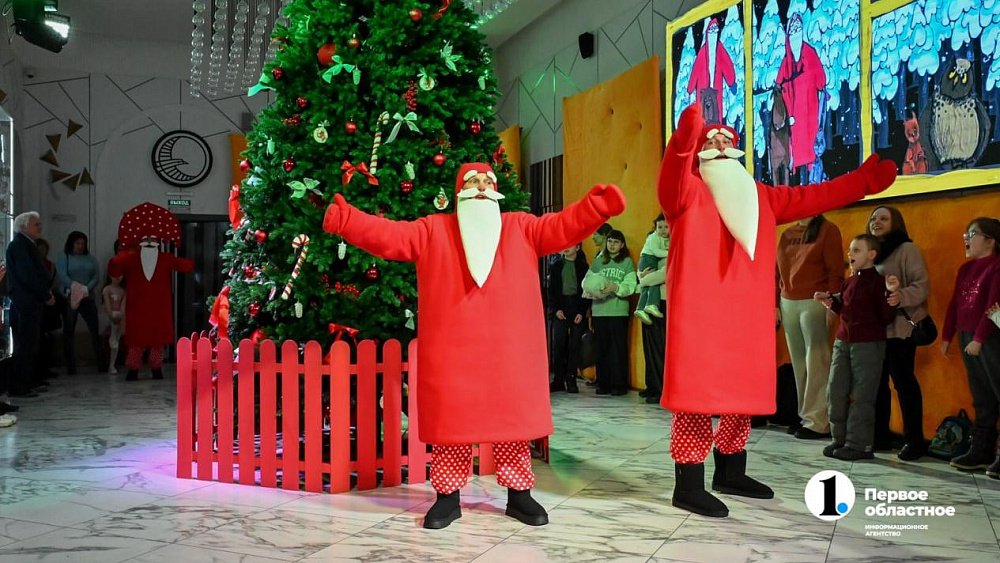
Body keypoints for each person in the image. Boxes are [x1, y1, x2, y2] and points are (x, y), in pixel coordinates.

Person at [322, 162, 625, 529]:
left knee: (512, 426)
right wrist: (347, 220)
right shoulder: (434, 230)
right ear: (458, 192)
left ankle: (519, 496)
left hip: (510, 353)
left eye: (487, 181)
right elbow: (389, 236)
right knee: (453, 429)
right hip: (454, 354)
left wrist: (596, 207)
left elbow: (563, 225)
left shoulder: (522, 227)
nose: (481, 186)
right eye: (473, 181)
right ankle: (448, 498)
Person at [657, 103, 896, 518]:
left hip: (746, 316)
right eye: (710, 142)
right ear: (699, 154)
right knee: (695, 399)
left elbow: (815, 194)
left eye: (726, 141)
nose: (720, 145)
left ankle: (731, 470)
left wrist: (862, 182)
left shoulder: (760, 196)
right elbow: (671, 175)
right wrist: (681, 141)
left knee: (741, 395)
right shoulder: (687, 193)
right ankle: (689, 482)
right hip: (699, 317)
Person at [815, 234, 898, 461]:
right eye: (850, 250)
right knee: (835, 389)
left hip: (868, 344)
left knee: (862, 395)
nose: (850, 254)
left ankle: (859, 444)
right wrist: (832, 303)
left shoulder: (879, 281)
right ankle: (839, 438)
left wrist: (891, 295)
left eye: (856, 250)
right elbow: (847, 313)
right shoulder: (849, 281)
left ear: (872, 254)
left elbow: (885, 317)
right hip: (843, 341)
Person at [868, 206, 930, 460]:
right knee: (877, 385)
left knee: (904, 384)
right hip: (876, 330)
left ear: (896, 223)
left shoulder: (907, 250)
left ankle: (914, 440)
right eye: (873, 218)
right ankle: (880, 436)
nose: (876, 222)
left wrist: (900, 296)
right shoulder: (869, 253)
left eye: (883, 218)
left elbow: (922, 286)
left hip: (901, 329)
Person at [940, 217, 1000, 474]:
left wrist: (979, 338)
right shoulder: (965, 269)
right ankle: (981, 450)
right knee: (981, 396)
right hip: (967, 336)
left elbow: (995, 305)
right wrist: (946, 336)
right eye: (966, 233)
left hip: (988, 337)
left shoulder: (996, 267)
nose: (966, 238)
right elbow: (955, 304)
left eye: (972, 233)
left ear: (990, 240)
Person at [108, 203, 194, 381]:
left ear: (158, 242)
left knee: (157, 341)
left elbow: (186, 266)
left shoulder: (165, 259)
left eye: (152, 240)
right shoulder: (131, 259)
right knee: (136, 342)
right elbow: (114, 270)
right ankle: (134, 369)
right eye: (146, 239)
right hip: (138, 307)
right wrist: (122, 255)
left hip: (159, 307)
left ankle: (156, 368)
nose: (149, 242)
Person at [776, 215, 843, 439]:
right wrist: (774, 303)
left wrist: (832, 306)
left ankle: (819, 421)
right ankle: (805, 416)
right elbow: (777, 271)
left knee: (817, 362)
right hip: (788, 302)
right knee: (799, 363)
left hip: (815, 301)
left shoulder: (828, 230)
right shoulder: (787, 234)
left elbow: (835, 271)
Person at [5, 212, 56, 398]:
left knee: (30, 344)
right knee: (24, 344)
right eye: (36, 224)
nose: (40, 227)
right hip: (25, 301)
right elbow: (27, 275)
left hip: (30, 301)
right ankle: (19, 387)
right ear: (24, 226)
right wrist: (44, 294)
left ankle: (28, 382)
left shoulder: (26, 244)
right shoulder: (19, 245)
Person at [582, 230, 637, 396]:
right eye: (610, 241)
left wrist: (616, 288)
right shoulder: (599, 261)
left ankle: (619, 385)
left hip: (618, 311)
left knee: (618, 349)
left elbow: (631, 285)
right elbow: (587, 281)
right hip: (599, 312)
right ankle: (604, 383)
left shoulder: (627, 262)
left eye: (616, 242)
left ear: (622, 245)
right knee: (602, 349)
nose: (612, 245)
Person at [776, 12, 827, 183]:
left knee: (811, 148)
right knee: (796, 151)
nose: (796, 32)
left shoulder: (810, 53)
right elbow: (779, 86)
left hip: (810, 111)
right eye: (793, 29)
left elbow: (821, 80)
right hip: (794, 117)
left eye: (798, 28)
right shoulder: (787, 62)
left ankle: (814, 179)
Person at [56, 231, 104, 374]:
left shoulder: (90, 259)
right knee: (69, 330)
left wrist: (86, 289)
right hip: (70, 296)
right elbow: (62, 275)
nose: (80, 246)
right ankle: (70, 365)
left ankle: (101, 363)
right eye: (77, 243)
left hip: (87, 297)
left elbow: (96, 276)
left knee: (95, 329)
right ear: (71, 243)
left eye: (83, 243)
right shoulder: (64, 257)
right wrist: (75, 287)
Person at [547, 244, 589, 393]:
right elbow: (551, 290)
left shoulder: (584, 266)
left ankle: (571, 379)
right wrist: (556, 309)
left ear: (577, 248)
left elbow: (586, 290)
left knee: (575, 345)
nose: (566, 247)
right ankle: (558, 379)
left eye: (571, 245)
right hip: (561, 307)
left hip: (576, 306)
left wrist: (582, 311)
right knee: (559, 344)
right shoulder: (556, 265)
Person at [637, 261, 667, 404]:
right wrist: (641, 274)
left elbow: (663, 274)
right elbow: (641, 268)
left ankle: (661, 389)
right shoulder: (651, 252)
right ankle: (652, 385)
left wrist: (642, 280)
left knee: (659, 347)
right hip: (647, 301)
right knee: (649, 347)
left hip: (662, 301)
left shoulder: (672, 251)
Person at [635, 214, 669, 325]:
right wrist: (671, 253)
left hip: (665, 297)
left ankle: (641, 308)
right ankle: (650, 304)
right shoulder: (654, 237)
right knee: (652, 281)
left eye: (666, 227)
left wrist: (643, 280)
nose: (663, 230)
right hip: (648, 259)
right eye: (660, 227)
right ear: (655, 228)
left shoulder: (665, 239)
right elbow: (656, 252)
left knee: (651, 282)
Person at [102, 276, 126, 375]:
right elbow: (107, 305)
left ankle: (112, 364)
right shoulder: (107, 289)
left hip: (119, 318)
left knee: (116, 341)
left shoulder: (123, 291)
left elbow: (123, 307)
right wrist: (111, 315)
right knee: (113, 343)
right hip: (110, 316)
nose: (118, 277)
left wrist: (120, 316)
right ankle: (110, 365)